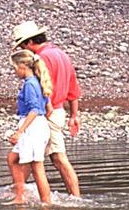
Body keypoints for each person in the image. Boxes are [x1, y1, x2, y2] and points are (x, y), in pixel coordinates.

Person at [12, 21, 82, 197]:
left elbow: (42, 89)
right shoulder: (61, 54)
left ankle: (72, 199)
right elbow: (73, 87)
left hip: (48, 113)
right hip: (59, 111)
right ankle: (18, 191)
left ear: (29, 42)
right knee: (31, 157)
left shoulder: (41, 59)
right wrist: (74, 115)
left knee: (54, 158)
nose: (22, 49)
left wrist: (46, 109)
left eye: (21, 45)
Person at [7, 50, 53, 205]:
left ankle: (46, 203)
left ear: (23, 66)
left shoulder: (30, 84)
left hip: (32, 127)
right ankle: (19, 196)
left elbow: (34, 109)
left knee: (37, 167)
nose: (14, 72)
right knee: (13, 159)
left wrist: (20, 132)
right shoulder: (37, 81)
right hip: (36, 125)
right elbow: (49, 109)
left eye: (15, 68)